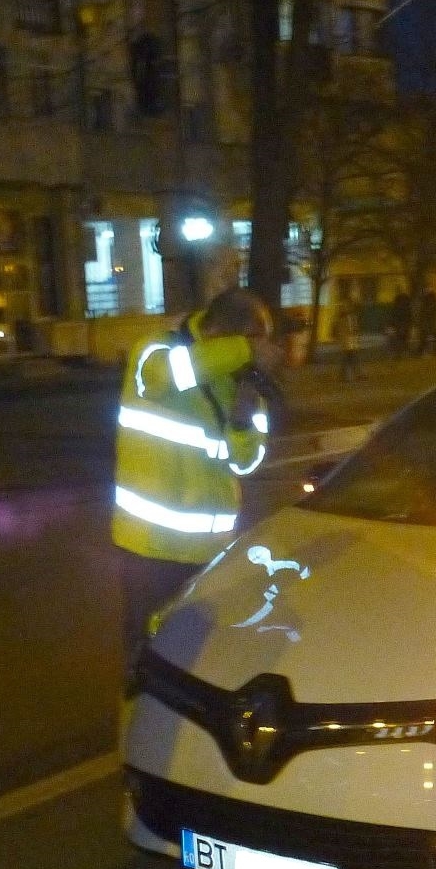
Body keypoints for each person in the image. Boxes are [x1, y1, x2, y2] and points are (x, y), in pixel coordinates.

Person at [112, 288, 283, 675]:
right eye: (254, 340)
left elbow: (247, 462)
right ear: (219, 331)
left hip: (209, 553)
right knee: (146, 662)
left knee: (198, 661)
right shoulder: (156, 351)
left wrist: (242, 420)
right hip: (150, 549)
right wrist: (244, 351)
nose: (261, 352)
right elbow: (164, 377)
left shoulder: (244, 386)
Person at [332, 291, 364, 382]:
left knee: (350, 359)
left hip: (351, 342)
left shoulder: (351, 317)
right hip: (346, 342)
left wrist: (356, 337)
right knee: (349, 359)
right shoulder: (342, 319)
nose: (348, 307)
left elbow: (355, 329)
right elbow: (340, 331)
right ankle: (352, 375)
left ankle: (349, 375)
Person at [417, 286, 436, 356]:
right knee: (430, 336)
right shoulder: (432, 300)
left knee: (430, 336)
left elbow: (434, 311)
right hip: (430, 321)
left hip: (431, 321)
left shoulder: (431, 300)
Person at [387, 288, 412, 360]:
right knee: (402, 339)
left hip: (400, 326)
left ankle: (399, 353)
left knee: (400, 339)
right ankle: (401, 353)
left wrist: (393, 326)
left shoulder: (398, 307)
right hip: (401, 326)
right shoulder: (406, 308)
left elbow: (393, 317)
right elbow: (408, 318)